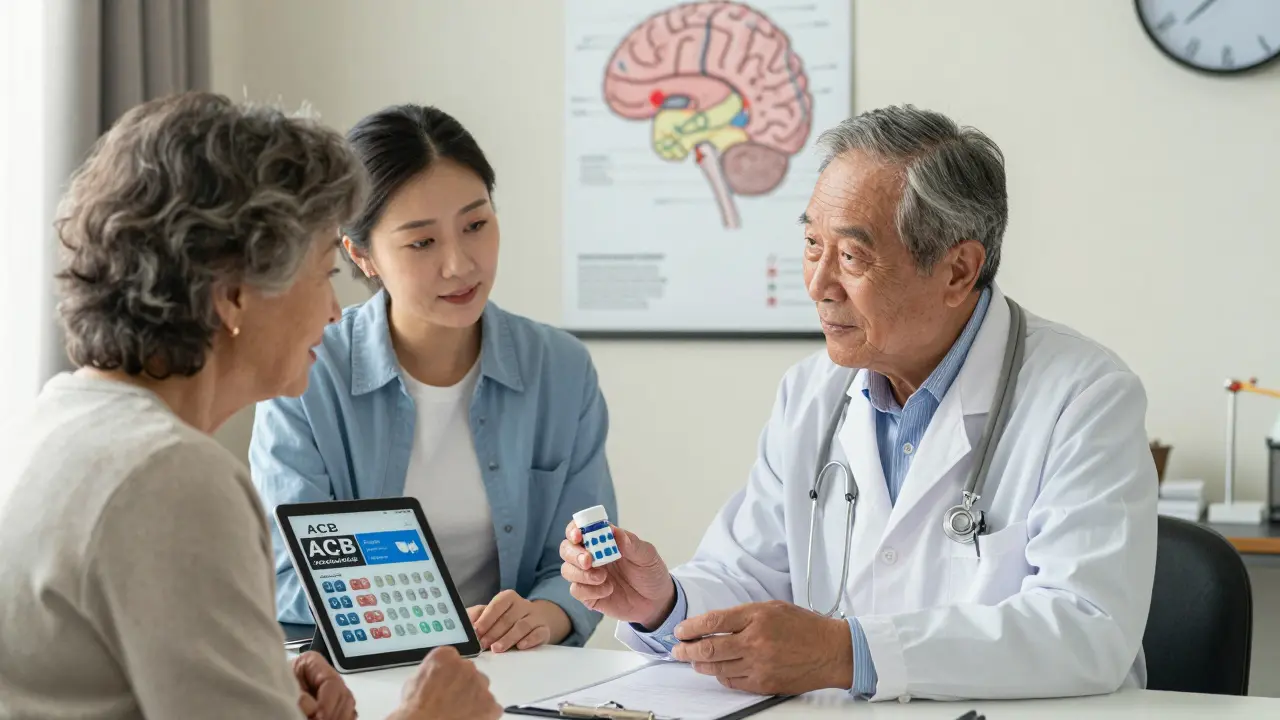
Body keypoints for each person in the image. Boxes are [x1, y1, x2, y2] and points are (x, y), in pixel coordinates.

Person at [559, 105, 1158, 702]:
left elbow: (1087, 627)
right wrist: (663, 603)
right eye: (811, 244)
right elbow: (747, 574)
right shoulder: (810, 392)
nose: (818, 285)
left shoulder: (1084, 396)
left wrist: (846, 653)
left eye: (850, 257)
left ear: (958, 270)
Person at [0, 92, 501, 720]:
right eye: (323, 274)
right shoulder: (170, 476)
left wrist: (253, 681)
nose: (333, 312)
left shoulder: (56, 421)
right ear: (234, 293)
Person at [250, 103, 616, 654]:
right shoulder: (306, 369)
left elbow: (588, 563)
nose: (460, 264)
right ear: (362, 254)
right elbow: (287, 575)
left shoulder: (560, 368)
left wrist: (542, 616)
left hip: (513, 674)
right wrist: (437, 624)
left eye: (475, 225)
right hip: (346, 679)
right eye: (422, 242)